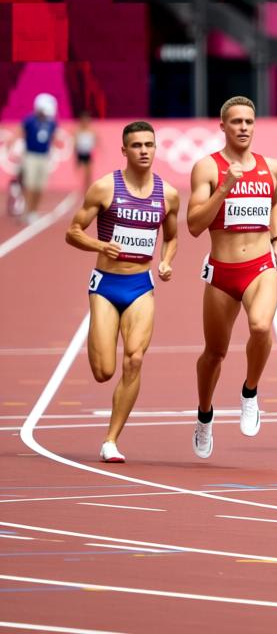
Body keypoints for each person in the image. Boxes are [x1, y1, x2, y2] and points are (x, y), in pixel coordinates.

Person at [64, 121, 180, 463]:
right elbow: (72, 232)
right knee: (103, 371)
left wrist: (166, 261)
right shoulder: (104, 188)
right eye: (137, 145)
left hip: (140, 286)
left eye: (149, 144)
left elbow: (172, 237)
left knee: (135, 358)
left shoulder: (168, 194)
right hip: (106, 285)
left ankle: (111, 440)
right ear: (124, 151)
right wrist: (101, 244)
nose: (144, 150)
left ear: (156, 148)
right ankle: (99, 336)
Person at [186, 96, 277, 459]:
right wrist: (225, 187)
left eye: (249, 121)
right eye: (236, 122)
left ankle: (250, 392)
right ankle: (204, 414)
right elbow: (194, 225)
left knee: (261, 327)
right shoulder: (207, 168)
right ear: (223, 126)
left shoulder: (271, 167)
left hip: (260, 265)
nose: (243, 127)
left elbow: (274, 203)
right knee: (214, 353)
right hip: (221, 272)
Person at [20, 93, 58, 220]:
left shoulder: (51, 122)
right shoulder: (30, 120)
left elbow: (53, 137)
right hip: (31, 156)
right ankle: (27, 210)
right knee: (30, 184)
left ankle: (33, 211)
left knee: (39, 186)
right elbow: (20, 133)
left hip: (44, 156)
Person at [75, 111, 96, 189]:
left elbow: (95, 143)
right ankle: (83, 187)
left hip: (88, 153)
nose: (85, 122)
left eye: (87, 120)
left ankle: (88, 188)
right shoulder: (77, 131)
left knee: (88, 174)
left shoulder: (92, 131)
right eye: (83, 120)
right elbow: (75, 144)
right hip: (80, 153)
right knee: (82, 173)